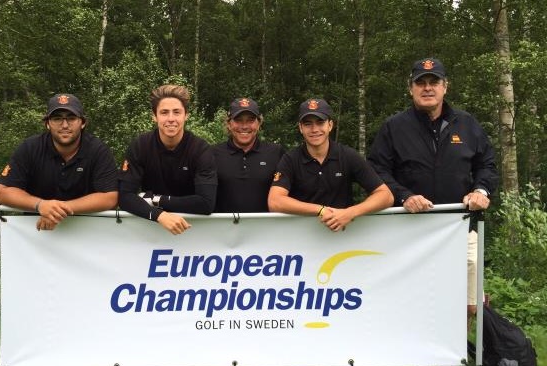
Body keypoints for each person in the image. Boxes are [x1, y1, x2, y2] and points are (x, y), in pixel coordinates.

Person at [367, 57, 498, 322]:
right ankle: (423, 364)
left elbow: (487, 164)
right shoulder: (394, 127)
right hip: (412, 231)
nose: (427, 88)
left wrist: (481, 191)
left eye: (434, 82)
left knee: (470, 306)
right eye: (421, 83)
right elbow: (376, 171)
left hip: (460, 226)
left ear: (445, 86)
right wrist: (403, 196)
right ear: (411, 88)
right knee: (419, 303)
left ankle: (458, 361)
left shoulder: (467, 124)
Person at [0, 93, 118, 231]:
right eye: (57, 118)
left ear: (83, 123)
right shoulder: (30, 148)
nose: (65, 125)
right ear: (47, 123)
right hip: (36, 233)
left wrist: (56, 211)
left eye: (71, 118)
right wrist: (40, 205)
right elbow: (2, 192)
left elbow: (110, 197)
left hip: (88, 234)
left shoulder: (98, 150)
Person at [268, 98, 393, 231]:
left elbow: (386, 196)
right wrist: (320, 210)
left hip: (342, 236)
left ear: (330, 125)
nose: (314, 129)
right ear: (300, 128)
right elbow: (275, 201)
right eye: (308, 124)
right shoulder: (290, 159)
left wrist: (350, 213)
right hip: (301, 238)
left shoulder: (347, 156)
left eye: (320, 122)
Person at [119, 84, 217, 235]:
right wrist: (158, 215)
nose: (171, 119)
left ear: (186, 115)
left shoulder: (200, 149)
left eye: (176, 112)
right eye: (164, 112)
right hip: (150, 230)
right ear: (154, 116)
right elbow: (124, 196)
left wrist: (156, 200)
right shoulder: (140, 145)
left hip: (193, 232)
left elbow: (206, 203)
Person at [212, 97, 284, 213]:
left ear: (259, 123)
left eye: (250, 120)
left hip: (267, 229)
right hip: (224, 229)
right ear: (229, 124)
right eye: (238, 120)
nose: (244, 126)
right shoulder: (212, 154)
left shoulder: (276, 153)